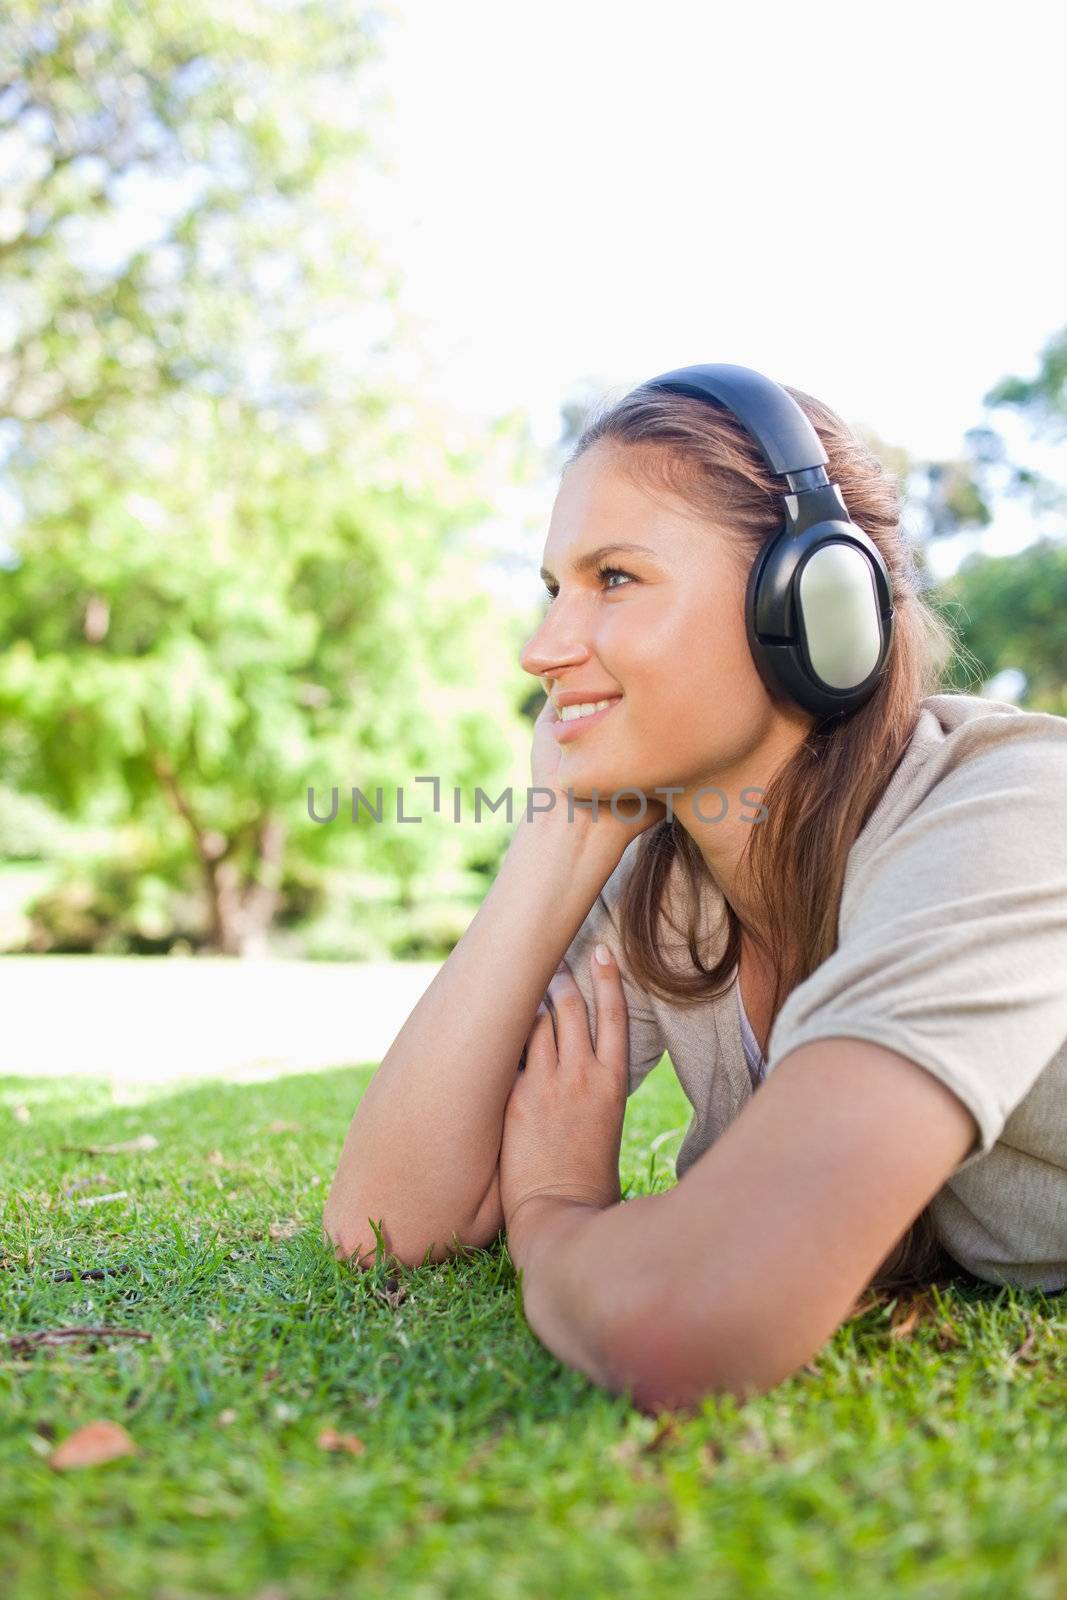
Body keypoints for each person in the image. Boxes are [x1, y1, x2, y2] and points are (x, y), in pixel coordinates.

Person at [323, 372, 1067, 1415]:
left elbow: (695, 1315)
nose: (543, 650)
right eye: (552, 590)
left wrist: (551, 1214)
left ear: (814, 604)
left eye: (614, 578)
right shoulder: (668, 880)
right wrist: (556, 838)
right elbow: (385, 1223)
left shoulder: (1009, 813)